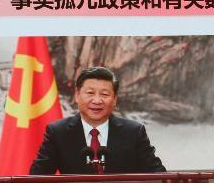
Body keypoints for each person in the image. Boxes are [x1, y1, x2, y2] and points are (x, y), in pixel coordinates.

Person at [29, 67, 166, 174]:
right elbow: (36, 179)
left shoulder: (134, 132)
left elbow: (159, 176)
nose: (97, 100)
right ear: (77, 95)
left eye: (104, 94)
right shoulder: (58, 132)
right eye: (90, 93)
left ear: (115, 99)